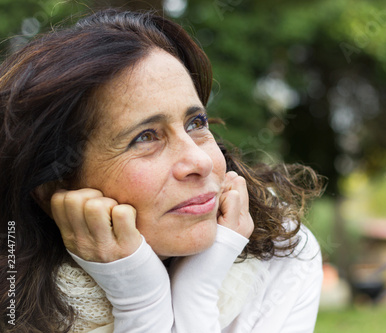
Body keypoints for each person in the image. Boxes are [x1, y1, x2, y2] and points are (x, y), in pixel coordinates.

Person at [0, 9, 324, 333]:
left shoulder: (283, 255)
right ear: (55, 188)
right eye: (145, 137)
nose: (201, 162)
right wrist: (143, 305)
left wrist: (196, 292)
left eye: (196, 123)